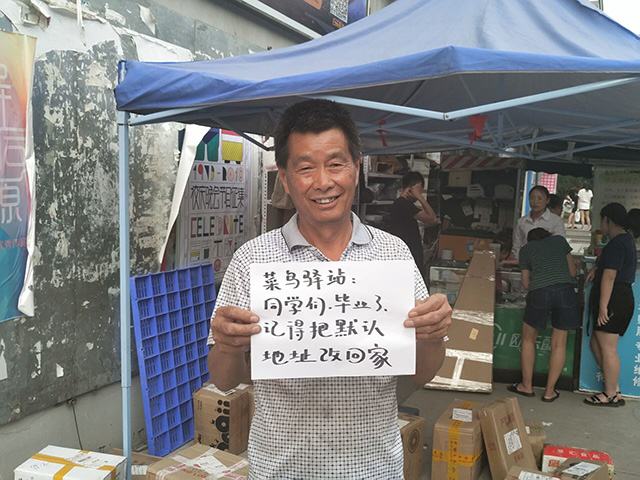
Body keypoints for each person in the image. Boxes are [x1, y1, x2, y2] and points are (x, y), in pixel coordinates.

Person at [207, 99, 452, 479]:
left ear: (356, 168)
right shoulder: (253, 260)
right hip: (281, 470)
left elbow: (421, 373)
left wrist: (433, 335)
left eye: (336, 164)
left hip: (373, 469)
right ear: (285, 178)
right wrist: (227, 345)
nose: (323, 182)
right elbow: (224, 381)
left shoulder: (393, 255)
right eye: (305, 168)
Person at [507, 228, 578, 402]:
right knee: (559, 344)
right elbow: (573, 273)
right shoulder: (559, 241)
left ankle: (526, 386)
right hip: (565, 292)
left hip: (540, 292)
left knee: (528, 340)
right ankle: (549, 392)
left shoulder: (526, 250)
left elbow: (525, 284)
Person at [584, 203, 640, 407]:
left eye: (602, 220)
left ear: (607, 220)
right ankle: (613, 389)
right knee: (596, 343)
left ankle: (610, 394)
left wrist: (603, 307)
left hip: (614, 298)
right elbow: (605, 263)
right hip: (619, 297)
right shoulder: (624, 240)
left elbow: (609, 276)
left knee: (608, 348)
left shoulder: (618, 243)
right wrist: (596, 267)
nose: (601, 225)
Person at [388, 171, 439, 276]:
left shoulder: (403, 204)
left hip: (405, 256)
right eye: (420, 190)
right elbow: (433, 219)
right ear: (417, 186)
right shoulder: (403, 204)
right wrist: (420, 197)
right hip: (406, 257)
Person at [504, 185, 566, 263]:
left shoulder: (556, 221)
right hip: (523, 262)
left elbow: (559, 245)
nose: (535, 202)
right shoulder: (521, 222)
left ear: (547, 200)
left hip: (546, 263)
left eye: (539, 198)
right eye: (532, 198)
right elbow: (516, 247)